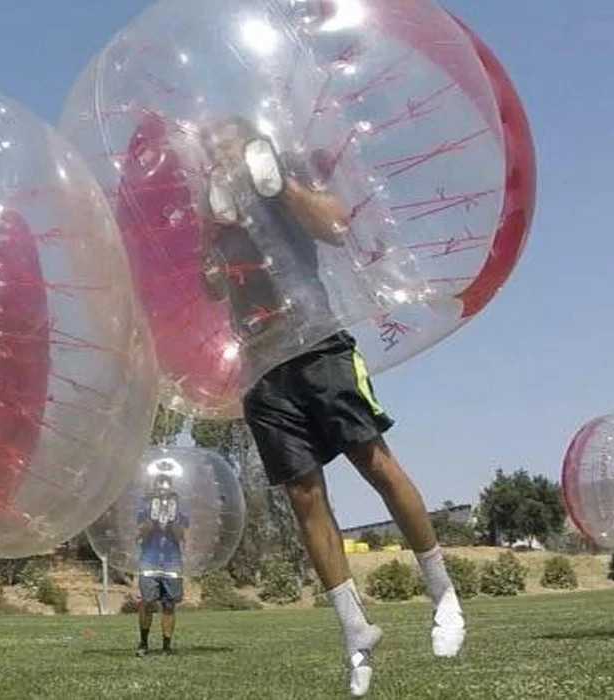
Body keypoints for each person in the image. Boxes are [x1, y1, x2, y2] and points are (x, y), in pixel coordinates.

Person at [197, 117, 463, 697]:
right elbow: (215, 288)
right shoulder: (213, 210)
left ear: (246, 139)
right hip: (261, 367)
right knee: (302, 496)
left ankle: (442, 590)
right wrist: (211, 261)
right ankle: (354, 630)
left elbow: (336, 225)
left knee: (375, 463)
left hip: (318, 344)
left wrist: (275, 184)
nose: (215, 149)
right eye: (208, 145)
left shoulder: (280, 175)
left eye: (224, 138)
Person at [134, 472, 189, 657]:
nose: (162, 488)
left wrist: (173, 521)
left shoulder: (179, 505)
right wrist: (151, 521)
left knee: (168, 605)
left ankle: (166, 646)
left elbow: (182, 535)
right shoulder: (144, 504)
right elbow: (139, 533)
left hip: (171, 561)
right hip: (149, 559)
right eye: (159, 484)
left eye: (166, 484)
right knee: (147, 602)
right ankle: (143, 643)